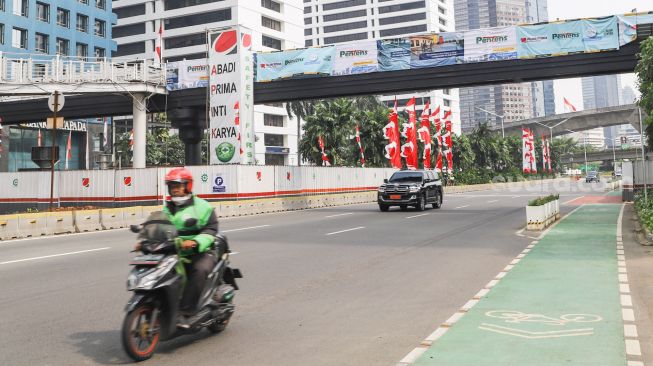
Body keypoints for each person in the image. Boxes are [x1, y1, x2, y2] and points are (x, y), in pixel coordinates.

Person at [162, 168, 218, 327]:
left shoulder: (202, 207)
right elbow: (160, 227)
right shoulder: (168, 208)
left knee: (199, 270)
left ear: (188, 186)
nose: (174, 189)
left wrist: (196, 242)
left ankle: (187, 312)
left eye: (178, 185)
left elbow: (211, 229)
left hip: (201, 251)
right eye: (172, 186)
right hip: (176, 251)